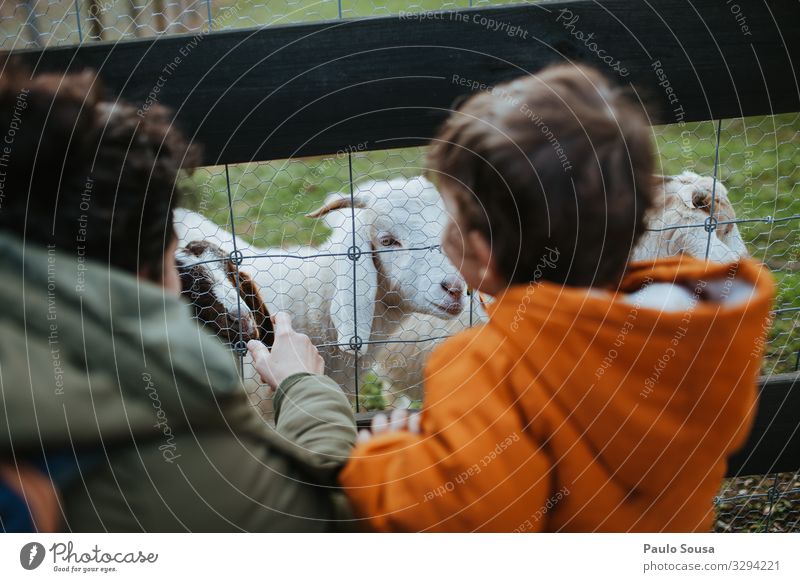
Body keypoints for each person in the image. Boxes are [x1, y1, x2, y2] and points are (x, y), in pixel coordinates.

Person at [269, 64, 775, 531]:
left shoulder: (492, 368)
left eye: (449, 218)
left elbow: (459, 513)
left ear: (480, 253)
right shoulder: (703, 330)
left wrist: (384, 455)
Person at [0, 61, 355, 532]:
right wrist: (305, 388)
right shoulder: (159, 454)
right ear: (148, 270)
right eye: (173, 259)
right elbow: (326, 522)